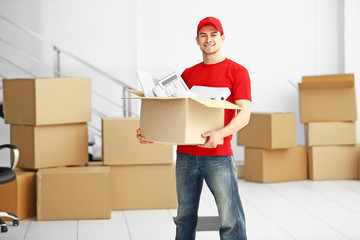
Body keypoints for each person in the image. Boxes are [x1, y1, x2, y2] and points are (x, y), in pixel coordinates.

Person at [136, 16, 251, 240]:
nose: (208, 39)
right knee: (185, 217)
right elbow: (175, 113)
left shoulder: (237, 71)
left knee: (230, 218)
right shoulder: (188, 74)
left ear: (222, 38)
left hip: (218, 156)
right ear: (197, 40)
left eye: (213, 34)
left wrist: (220, 134)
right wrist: (152, 133)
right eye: (203, 35)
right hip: (186, 156)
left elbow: (244, 113)